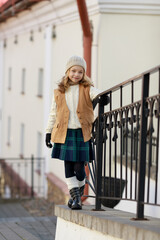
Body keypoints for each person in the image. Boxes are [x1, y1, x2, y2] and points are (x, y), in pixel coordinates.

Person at [45, 55, 101, 210]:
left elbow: (99, 94)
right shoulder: (59, 91)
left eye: (80, 72)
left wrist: (102, 99)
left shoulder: (86, 88)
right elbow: (53, 113)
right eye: (73, 71)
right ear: (67, 71)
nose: (76, 74)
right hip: (64, 133)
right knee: (68, 166)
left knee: (79, 169)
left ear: (84, 74)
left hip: (81, 133)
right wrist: (48, 132)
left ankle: (77, 193)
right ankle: (76, 199)